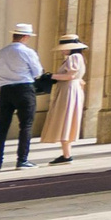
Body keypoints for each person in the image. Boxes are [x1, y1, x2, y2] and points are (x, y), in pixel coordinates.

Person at [0, 22, 44, 172]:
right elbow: (37, 72)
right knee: (26, 125)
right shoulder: (27, 52)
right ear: (26, 37)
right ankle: (22, 160)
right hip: (24, 88)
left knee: (2, 126)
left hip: (5, 89)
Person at [40, 34, 88, 163]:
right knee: (67, 119)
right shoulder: (76, 57)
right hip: (70, 89)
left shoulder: (74, 57)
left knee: (65, 118)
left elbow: (70, 76)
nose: (62, 50)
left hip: (69, 90)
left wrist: (51, 76)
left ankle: (67, 155)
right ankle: (66, 154)